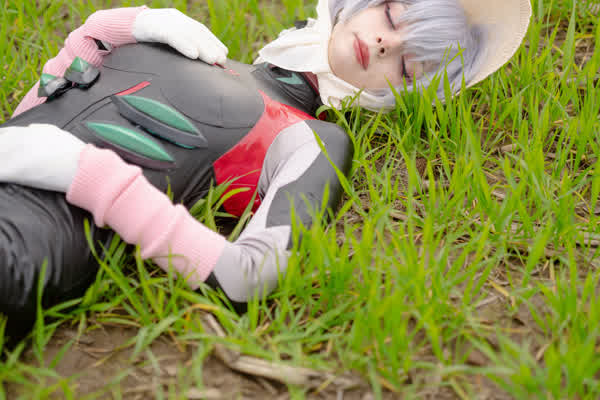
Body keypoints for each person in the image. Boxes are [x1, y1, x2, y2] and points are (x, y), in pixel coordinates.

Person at [0, 0, 531, 341]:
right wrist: (108, 29)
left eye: (407, 65)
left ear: (407, 93)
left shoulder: (311, 138)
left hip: (31, 234)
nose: (386, 43)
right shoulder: (195, 46)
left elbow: (247, 275)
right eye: (392, 15)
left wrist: (85, 173)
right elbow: (51, 106)